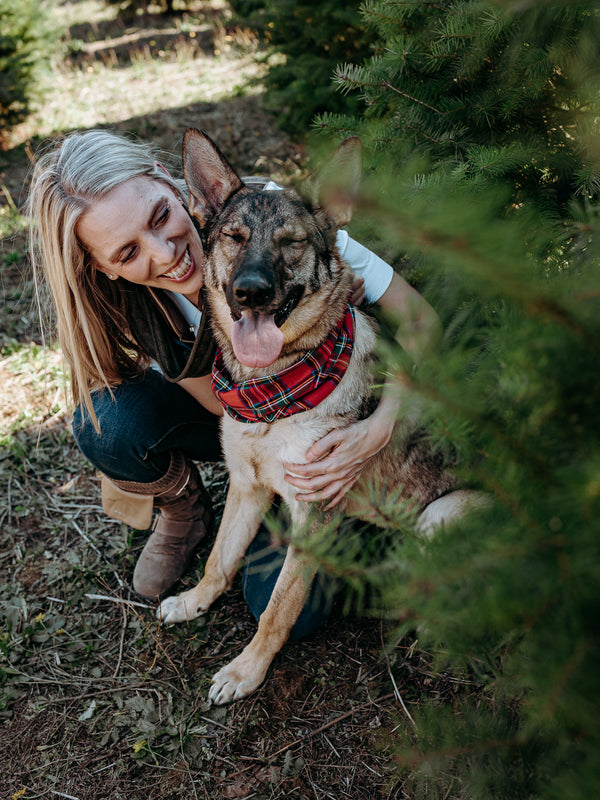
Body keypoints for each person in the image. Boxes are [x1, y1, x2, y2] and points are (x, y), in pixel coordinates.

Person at [27, 128, 441, 638]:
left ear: (179, 187)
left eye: (160, 216)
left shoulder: (286, 223)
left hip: (324, 405)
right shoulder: (130, 304)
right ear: (102, 267)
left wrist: (378, 428)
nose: (164, 253)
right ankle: (185, 508)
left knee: (292, 609)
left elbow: (423, 323)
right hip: (236, 413)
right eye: (127, 253)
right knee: (107, 422)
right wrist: (261, 467)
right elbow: (227, 410)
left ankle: (380, 519)